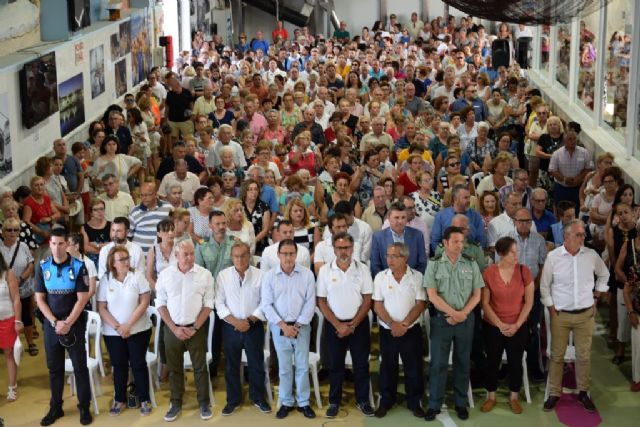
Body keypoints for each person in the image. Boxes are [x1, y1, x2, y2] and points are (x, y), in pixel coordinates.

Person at [540, 219, 609, 413]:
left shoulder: (591, 255)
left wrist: (596, 296)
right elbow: (545, 286)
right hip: (560, 314)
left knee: (584, 356)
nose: (583, 237)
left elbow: (604, 275)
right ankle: (554, 393)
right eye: (579, 234)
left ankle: (583, 392)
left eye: (583, 234)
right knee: (556, 356)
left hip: (585, 315)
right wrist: (551, 308)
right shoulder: (553, 257)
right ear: (566, 236)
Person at [424, 226, 484, 422]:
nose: (460, 245)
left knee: (463, 362)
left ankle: (460, 403)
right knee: (438, 364)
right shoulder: (434, 264)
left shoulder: (471, 263)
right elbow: (431, 295)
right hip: (442, 320)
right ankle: (434, 404)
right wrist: (452, 313)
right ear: (446, 242)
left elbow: (477, 294)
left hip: (465, 321)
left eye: (462, 241)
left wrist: (462, 314)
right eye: (456, 241)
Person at [35, 228, 92, 426]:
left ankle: (84, 407)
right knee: (54, 369)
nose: (57, 248)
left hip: (73, 323)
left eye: (61, 244)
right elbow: (40, 299)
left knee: (80, 367)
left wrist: (67, 323)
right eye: (53, 244)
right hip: (52, 325)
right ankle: (55, 407)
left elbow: (82, 298)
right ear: (49, 245)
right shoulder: (42, 266)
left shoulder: (78, 266)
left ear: (67, 245)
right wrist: (54, 322)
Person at [156, 240, 214, 421]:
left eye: (192, 254)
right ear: (176, 256)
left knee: (200, 368)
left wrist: (195, 327)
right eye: (185, 254)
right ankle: (175, 403)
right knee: (174, 369)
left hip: (195, 329)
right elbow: (160, 304)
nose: (190, 258)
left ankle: (204, 403)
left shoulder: (204, 275)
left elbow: (208, 305)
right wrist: (173, 328)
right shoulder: (165, 275)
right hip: (173, 329)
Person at [317, 232, 374, 418]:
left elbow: (367, 300)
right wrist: (338, 325)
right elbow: (322, 301)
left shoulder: (362, 269)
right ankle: (334, 402)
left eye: (347, 247)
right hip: (334, 326)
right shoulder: (325, 270)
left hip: (358, 325)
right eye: (340, 248)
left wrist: (353, 324)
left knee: (361, 365)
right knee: (335, 366)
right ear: (334, 249)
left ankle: (363, 400)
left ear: (353, 248)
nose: (344, 251)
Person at [261, 239, 316, 419]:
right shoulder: (269, 276)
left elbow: (310, 303)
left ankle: (303, 402)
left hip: (302, 326)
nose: (288, 257)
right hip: (280, 327)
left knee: (301, 365)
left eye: (291, 253)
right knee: (284, 367)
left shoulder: (307, 275)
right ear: (278, 255)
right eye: (284, 253)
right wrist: (284, 326)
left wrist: (297, 326)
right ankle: (286, 401)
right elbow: (267, 305)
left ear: (296, 254)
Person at [215, 241, 271, 415]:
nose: (239, 259)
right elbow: (219, 302)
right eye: (236, 256)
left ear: (249, 256)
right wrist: (235, 322)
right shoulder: (223, 276)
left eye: (243, 255)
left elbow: (265, 302)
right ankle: (233, 400)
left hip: (253, 326)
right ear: (232, 258)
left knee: (256, 364)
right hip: (231, 327)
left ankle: (258, 398)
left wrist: (249, 320)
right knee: (231, 365)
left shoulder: (261, 275)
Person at [480, 236, 534, 414]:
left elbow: (528, 302)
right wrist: (500, 324)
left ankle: (514, 397)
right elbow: (485, 303)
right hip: (493, 325)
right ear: (501, 253)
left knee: (515, 361)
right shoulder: (489, 272)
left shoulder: (524, 271)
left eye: (516, 251)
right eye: (512, 252)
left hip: (518, 325)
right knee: (492, 360)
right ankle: (491, 396)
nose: (516, 255)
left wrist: (517, 324)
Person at [97, 246, 153, 416]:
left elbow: (144, 302)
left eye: (127, 258)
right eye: (122, 259)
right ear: (113, 263)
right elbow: (102, 307)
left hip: (138, 329)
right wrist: (118, 327)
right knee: (119, 366)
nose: (127, 262)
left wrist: (128, 325)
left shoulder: (137, 276)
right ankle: (119, 399)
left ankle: (144, 399)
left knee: (138, 364)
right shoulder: (106, 279)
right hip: (113, 333)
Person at [373, 242, 426, 418]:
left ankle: (414, 402)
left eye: (394, 256)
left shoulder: (417, 276)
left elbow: (421, 304)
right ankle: (386, 401)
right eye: (388, 256)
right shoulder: (381, 277)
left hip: (410, 330)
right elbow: (377, 305)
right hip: (387, 330)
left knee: (413, 367)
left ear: (405, 258)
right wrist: (392, 323)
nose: (389, 259)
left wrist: (403, 324)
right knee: (387, 367)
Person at [195, 210, 234, 378]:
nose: (221, 227)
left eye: (223, 223)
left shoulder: (234, 244)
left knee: (232, 334)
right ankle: (212, 369)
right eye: (217, 224)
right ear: (210, 225)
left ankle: (234, 368)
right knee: (213, 335)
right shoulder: (202, 246)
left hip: (231, 297)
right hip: (210, 298)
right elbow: (197, 273)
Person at [510, 208, 548, 380]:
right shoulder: (507, 240)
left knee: (533, 329)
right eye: (521, 220)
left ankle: (534, 368)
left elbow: (542, 267)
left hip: (534, 292)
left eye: (528, 221)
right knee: (511, 329)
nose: (524, 224)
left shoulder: (539, 240)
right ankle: (510, 367)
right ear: (514, 221)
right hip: (511, 294)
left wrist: (533, 288)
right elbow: (500, 267)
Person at [0, 218, 36, 357]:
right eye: (9, 230)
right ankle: (7, 343)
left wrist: (20, 279)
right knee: (6, 317)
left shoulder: (24, 246)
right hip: (4, 290)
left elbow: (31, 265)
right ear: (3, 232)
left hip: (23, 287)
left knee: (26, 317)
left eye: (16, 229)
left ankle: (30, 342)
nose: (13, 232)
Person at [370, 202, 427, 278]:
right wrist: (385, 280)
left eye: (403, 218)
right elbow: (375, 265)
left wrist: (413, 279)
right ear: (389, 218)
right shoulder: (378, 237)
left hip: (412, 282)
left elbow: (422, 263)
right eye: (396, 218)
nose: (400, 221)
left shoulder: (417, 235)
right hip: (386, 282)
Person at [431, 184, 486, 252]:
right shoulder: (441, 216)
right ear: (455, 199)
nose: (469, 200)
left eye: (469, 197)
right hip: (447, 256)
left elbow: (482, 241)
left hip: (471, 256)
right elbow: (435, 241)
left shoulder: (476, 215)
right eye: (465, 198)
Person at [0, 239, 22, 402]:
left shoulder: (8, 274)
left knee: (9, 354)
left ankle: (12, 388)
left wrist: (18, 320)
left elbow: (16, 299)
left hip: (7, 319)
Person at [128, 182, 172, 254]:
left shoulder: (168, 208)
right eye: (141, 195)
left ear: (155, 194)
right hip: (140, 257)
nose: (144, 198)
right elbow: (129, 236)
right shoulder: (134, 211)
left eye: (147, 195)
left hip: (162, 256)